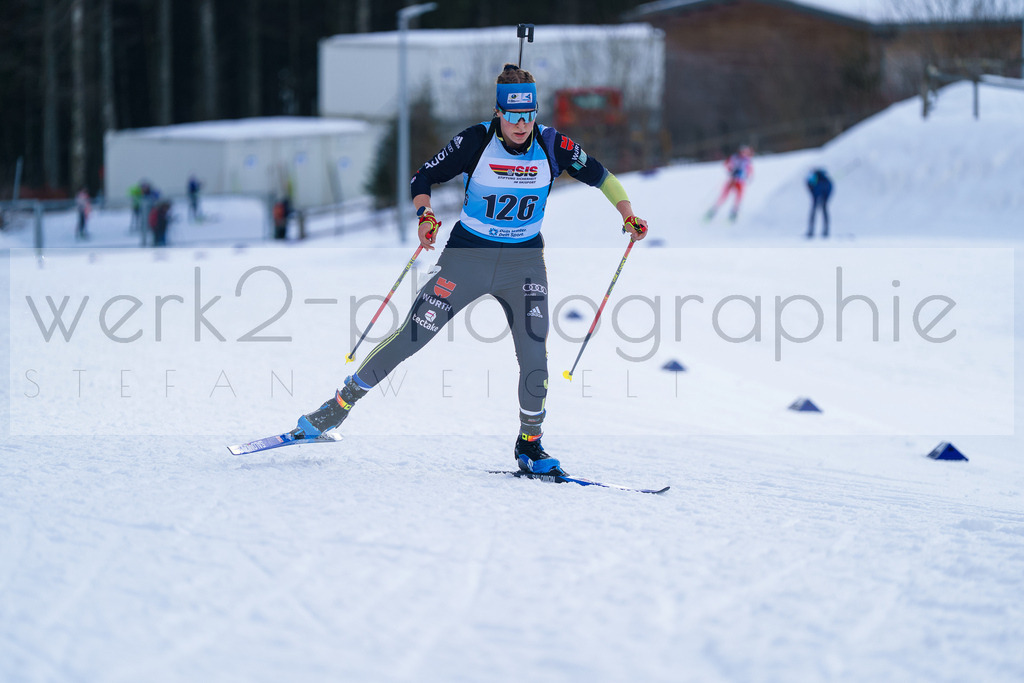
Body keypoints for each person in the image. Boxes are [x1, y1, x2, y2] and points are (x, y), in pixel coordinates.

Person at [292, 63, 648, 476]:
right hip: (467, 258)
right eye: (513, 116)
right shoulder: (475, 141)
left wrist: (627, 214)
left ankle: (530, 445)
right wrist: (425, 215)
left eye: (529, 115)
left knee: (535, 354)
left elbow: (603, 177)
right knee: (413, 334)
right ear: (498, 112)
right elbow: (423, 176)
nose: (521, 124)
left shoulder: (554, 145)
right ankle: (336, 408)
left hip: (524, 264)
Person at [705, 145, 754, 222]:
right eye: (744, 152)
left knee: (738, 198)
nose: (745, 153)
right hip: (732, 180)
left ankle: (733, 214)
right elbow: (726, 164)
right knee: (724, 196)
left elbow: (749, 170)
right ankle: (712, 212)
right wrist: (730, 170)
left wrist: (747, 176)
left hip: (740, 182)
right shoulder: (734, 157)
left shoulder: (747, 161)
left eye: (747, 152)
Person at [806, 167, 833, 238]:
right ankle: (826, 231)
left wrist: (815, 198)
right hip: (825, 191)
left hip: (819, 192)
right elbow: (830, 188)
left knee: (814, 211)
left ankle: (811, 231)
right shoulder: (826, 180)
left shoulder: (813, 179)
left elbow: (811, 187)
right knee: (824, 210)